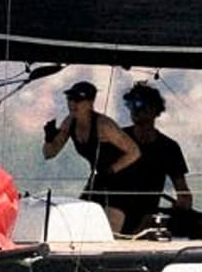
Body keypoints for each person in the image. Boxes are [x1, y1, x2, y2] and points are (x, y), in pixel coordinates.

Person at [111, 82, 202, 239]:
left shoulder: (169, 147)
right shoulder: (117, 140)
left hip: (151, 212)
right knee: (145, 220)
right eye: (131, 104)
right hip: (119, 210)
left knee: (201, 224)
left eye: (140, 103)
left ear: (155, 110)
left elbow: (182, 190)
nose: (135, 109)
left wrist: (183, 203)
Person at [40, 80, 139, 232]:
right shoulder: (69, 123)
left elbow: (134, 152)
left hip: (123, 177)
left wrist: (112, 169)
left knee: (112, 225)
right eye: (70, 99)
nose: (73, 104)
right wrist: (49, 137)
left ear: (90, 102)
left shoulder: (104, 125)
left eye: (78, 100)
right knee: (81, 218)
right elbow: (49, 154)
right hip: (100, 177)